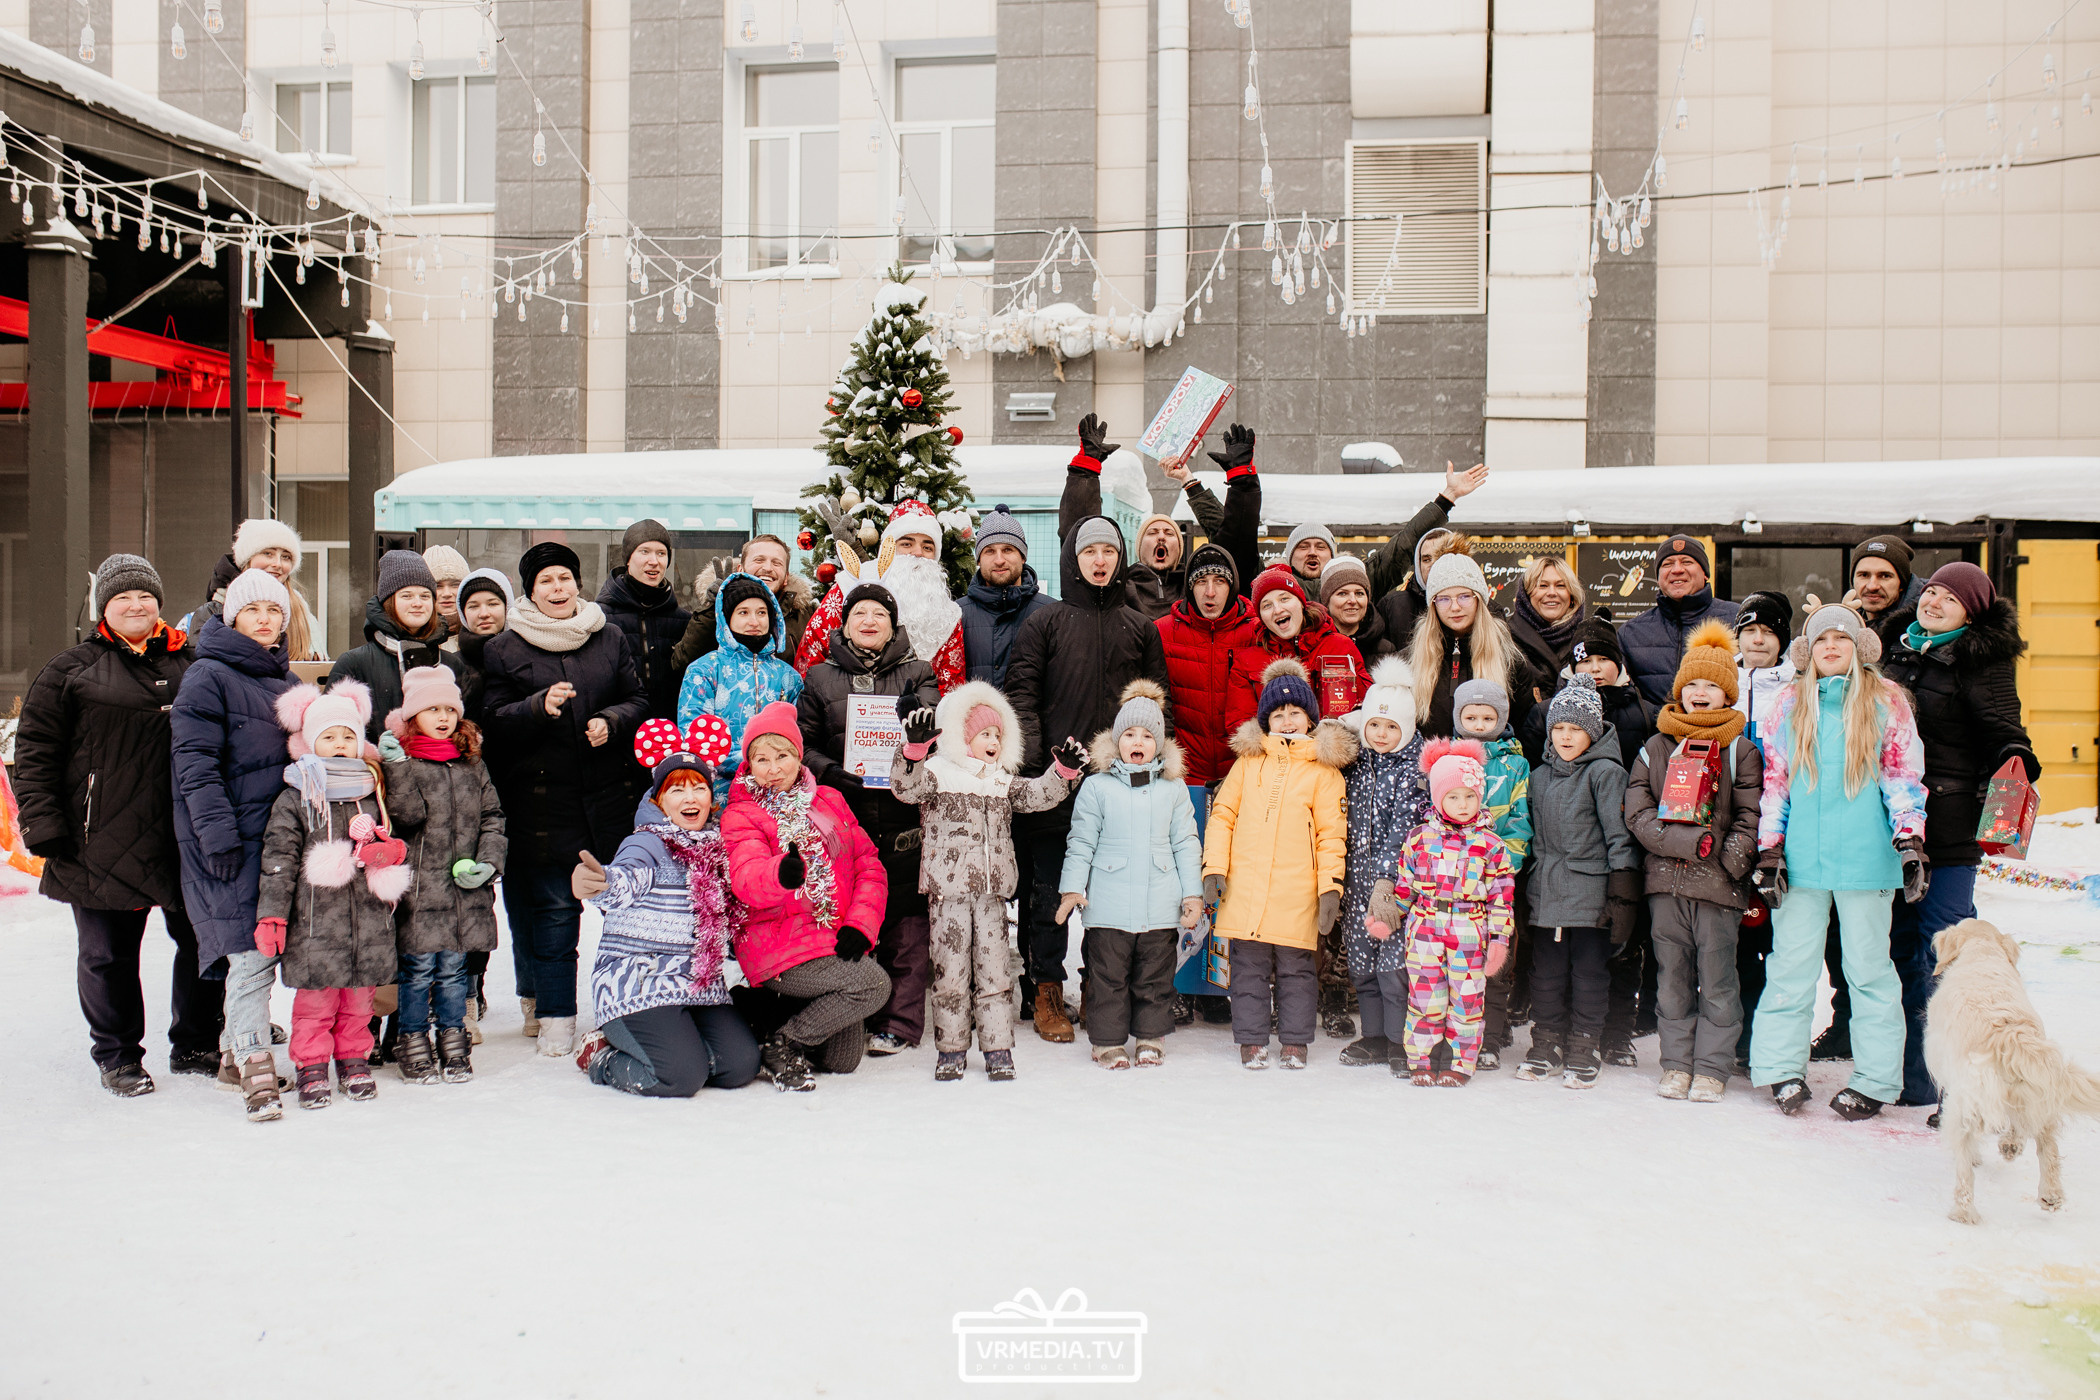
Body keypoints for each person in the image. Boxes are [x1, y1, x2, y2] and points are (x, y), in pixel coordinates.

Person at [15, 554, 222, 1097]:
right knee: (108, 955)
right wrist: (43, 824)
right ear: (102, 606)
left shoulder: (195, 664)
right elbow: (35, 751)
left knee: (204, 943)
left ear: (160, 602)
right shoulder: (70, 669)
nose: (136, 605)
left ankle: (196, 1041)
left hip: (185, 835)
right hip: (100, 836)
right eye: (123, 597)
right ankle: (118, 1055)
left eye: (145, 595)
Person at [1749, 605, 1928, 1120]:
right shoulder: (1788, 704)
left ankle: (1875, 1080)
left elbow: (1901, 776)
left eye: (1842, 638)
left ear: (1858, 647)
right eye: (1821, 639)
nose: (1831, 646)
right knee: (1790, 967)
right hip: (1801, 861)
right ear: (1808, 652)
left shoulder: (1886, 700)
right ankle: (1781, 1069)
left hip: (1866, 860)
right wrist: (1770, 849)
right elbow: (1776, 783)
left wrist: (1909, 839)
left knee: (1869, 972)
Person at [1878, 562, 2039, 1112]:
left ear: (1971, 613)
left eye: (1950, 598)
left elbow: (2006, 732)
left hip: (1949, 828)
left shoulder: (1981, 662)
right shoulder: (1895, 650)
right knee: (1896, 952)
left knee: (1942, 956)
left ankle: (1957, 1085)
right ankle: (1911, 1075)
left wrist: (2014, 761)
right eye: (1932, 592)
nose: (1934, 602)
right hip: (1890, 827)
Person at [1004, 514, 1172, 1041]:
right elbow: (1022, 700)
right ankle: (1046, 987)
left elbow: (1157, 708)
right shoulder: (1046, 623)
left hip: (1121, 788)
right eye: (1089, 552)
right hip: (1056, 784)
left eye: (1109, 551)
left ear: (1120, 559)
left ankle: (1102, 986)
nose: (1100, 561)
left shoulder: (1140, 627)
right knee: (1049, 893)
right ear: (1073, 561)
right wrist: (1040, 771)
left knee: (1114, 893)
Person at [480, 540, 649, 1056]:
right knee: (554, 913)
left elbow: (637, 698)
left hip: (608, 801)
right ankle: (555, 1016)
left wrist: (611, 721)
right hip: (543, 807)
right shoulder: (505, 647)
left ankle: (636, 1006)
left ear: (578, 583)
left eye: (565, 578)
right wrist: (537, 706)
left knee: (624, 911)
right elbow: (493, 720)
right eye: (546, 581)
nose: (558, 589)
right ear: (531, 591)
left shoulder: (608, 634)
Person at [893, 683, 1083, 1080]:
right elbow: (905, 788)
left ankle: (998, 1047)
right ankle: (951, 1049)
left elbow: (1037, 795)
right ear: (963, 737)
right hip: (948, 894)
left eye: (998, 734)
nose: (993, 741)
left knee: (994, 972)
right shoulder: (938, 774)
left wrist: (1062, 773)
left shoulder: (1001, 781)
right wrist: (912, 752)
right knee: (951, 974)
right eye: (984, 734)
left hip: (992, 895)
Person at [570, 717, 761, 1098]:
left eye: (699, 788)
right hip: (639, 981)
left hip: (699, 984)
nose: (691, 799)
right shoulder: (647, 843)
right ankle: (601, 1057)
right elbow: (626, 879)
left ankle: (683, 1048)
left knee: (739, 1065)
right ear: (659, 800)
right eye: (677, 790)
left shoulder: (717, 846)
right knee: (679, 1077)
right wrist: (602, 884)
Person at [170, 568, 298, 1116]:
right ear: (231, 616)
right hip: (229, 841)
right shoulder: (208, 675)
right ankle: (254, 1064)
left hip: (276, 842)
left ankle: (229, 1057)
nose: (265, 620)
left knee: (260, 948)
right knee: (251, 955)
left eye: (274, 611)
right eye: (253, 610)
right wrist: (217, 837)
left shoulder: (286, 682)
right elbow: (194, 765)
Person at [797, 581, 942, 1054]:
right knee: (850, 918)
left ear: (893, 626)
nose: (869, 621)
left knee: (906, 925)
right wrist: (828, 771)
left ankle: (899, 1022)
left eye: (880, 614)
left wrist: (916, 723)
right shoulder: (820, 677)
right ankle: (850, 1014)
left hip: (903, 817)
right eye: (859, 612)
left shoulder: (918, 671)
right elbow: (803, 744)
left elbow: (934, 737)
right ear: (844, 624)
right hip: (845, 816)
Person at [1624, 622, 1764, 1103]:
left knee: (1719, 981)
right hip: (1665, 885)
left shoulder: (1740, 749)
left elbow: (1750, 815)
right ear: (1679, 690)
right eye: (1692, 684)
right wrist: (1687, 844)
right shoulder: (1656, 747)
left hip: (1719, 887)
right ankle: (1676, 1063)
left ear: (1727, 694)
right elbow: (1637, 812)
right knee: (1671, 981)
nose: (1699, 693)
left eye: (1711, 685)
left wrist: (1728, 861)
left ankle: (1711, 1067)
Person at [721, 702, 892, 1091]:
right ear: (748, 764)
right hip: (778, 945)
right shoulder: (742, 814)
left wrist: (861, 926)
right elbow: (745, 876)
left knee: (843, 1061)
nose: (773, 768)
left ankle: (771, 1017)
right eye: (761, 759)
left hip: (833, 936)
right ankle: (783, 1043)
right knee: (873, 985)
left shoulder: (829, 800)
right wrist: (779, 873)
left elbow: (868, 865)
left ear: (798, 757)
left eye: (782, 756)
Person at [257, 679, 407, 1110]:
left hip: (368, 923)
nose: (340, 744)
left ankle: (353, 1059)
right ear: (309, 742)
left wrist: (388, 850)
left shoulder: (374, 791)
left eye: (347, 736)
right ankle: (311, 1064)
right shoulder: (296, 796)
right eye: (329, 737)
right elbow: (279, 858)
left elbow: (397, 834)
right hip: (315, 924)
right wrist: (273, 914)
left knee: (359, 1000)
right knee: (316, 1002)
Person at [1201, 659, 1352, 1071]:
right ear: (1266, 721)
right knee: (1247, 969)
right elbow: (1223, 817)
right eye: (1278, 714)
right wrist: (1214, 868)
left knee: (1297, 971)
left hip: (1295, 892)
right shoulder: (1248, 763)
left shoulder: (1324, 772)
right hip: (1245, 888)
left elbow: (1331, 836)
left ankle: (1295, 1041)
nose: (1287, 721)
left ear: (1311, 719)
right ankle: (1251, 1040)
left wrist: (1330, 888)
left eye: (1295, 712)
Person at [1055, 682, 1202, 1070]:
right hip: (1109, 906)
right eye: (1130, 734)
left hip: (1159, 906)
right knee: (1108, 978)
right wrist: (1071, 888)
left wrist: (1192, 895)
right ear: (1117, 740)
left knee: (1155, 977)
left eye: (1148, 736)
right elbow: (1081, 841)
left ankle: (1151, 1037)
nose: (1138, 742)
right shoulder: (1096, 787)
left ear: (1160, 744)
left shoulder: (1173, 789)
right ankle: (1107, 1042)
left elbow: (1186, 842)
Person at [1513, 675, 1640, 1089]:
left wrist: (1622, 894)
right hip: (1546, 893)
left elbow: (1619, 837)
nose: (1566, 737)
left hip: (1590, 894)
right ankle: (1547, 1040)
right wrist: (1522, 889)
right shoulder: (1539, 776)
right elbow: (1530, 836)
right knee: (1546, 974)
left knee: (1588, 974)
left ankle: (1585, 1043)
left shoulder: (1605, 774)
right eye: (1559, 727)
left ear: (1593, 732)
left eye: (1576, 729)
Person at [379, 666, 505, 1083]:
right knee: (416, 973)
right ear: (413, 716)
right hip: (421, 891)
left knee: (454, 971)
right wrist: (397, 769)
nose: (443, 717)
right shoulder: (405, 762)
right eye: (432, 709)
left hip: (463, 893)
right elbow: (406, 817)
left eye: (449, 709)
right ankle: (412, 1040)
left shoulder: (472, 763)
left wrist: (488, 861)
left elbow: (492, 816)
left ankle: (453, 1040)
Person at [1391, 738, 1518, 1086]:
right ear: (1437, 798)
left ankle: (1458, 1063)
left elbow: (1501, 898)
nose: (1463, 805)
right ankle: (1422, 1060)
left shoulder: (1491, 845)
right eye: (1453, 797)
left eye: (1469, 796)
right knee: (1425, 998)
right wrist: (1389, 915)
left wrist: (1499, 939)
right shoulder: (1418, 839)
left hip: (1469, 930)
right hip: (1425, 927)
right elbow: (1405, 886)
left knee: (1466, 1001)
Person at [1063, 414, 1261, 617]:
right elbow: (1080, 540)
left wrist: (1238, 481)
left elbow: (1233, 545)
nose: (1161, 537)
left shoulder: (1199, 589)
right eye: (1152, 532)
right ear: (1139, 548)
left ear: (1180, 548)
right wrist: (1085, 471)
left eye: (1169, 533)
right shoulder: (1115, 588)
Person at [1338, 657, 1429, 1074]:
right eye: (1374, 724)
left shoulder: (1414, 770)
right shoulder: (1357, 763)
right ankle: (1373, 1035)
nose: (1380, 734)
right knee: (1361, 964)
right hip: (1356, 884)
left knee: (1393, 967)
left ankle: (1398, 1040)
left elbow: (1404, 829)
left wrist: (1387, 881)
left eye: (1391, 727)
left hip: (1394, 890)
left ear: (1406, 728)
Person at [793, 502, 966, 692]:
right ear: (889, 550)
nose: (918, 553)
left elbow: (951, 686)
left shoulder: (947, 616)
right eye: (907, 544)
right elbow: (812, 653)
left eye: (927, 547)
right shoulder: (849, 588)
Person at [1452, 678, 1533, 1067]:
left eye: (1488, 718)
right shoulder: (1449, 760)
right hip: (1454, 881)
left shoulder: (1515, 764)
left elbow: (1520, 819)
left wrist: (1505, 868)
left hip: (1497, 882)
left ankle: (1492, 1036)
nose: (1480, 725)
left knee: (1496, 958)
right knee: (1458, 958)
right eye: (1471, 717)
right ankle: (1458, 1031)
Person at [677, 571, 804, 796]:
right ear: (727, 618)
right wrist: (750, 763)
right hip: (719, 792)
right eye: (743, 612)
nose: (754, 621)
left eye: (761, 612)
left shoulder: (788, 677)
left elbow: (798, 737)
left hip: (778, 790)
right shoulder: (704, 670)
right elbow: (693, 735)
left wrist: (773, 767)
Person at [1409, 539, 1539, 739]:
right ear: (1433, 604)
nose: (1455, 607)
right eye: (1444, 599)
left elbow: (1524, 730)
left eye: (1464, 596)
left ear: (1479, 599)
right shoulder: (1412, 660)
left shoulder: (1509, 660)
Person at [327, 550, 463, 738]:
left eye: (425, 596)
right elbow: (332, 731)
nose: (417, 603)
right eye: (407, 596)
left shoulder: (451, 665)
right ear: (388, 602)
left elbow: (464, 731)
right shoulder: (354, 663)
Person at [1225, 567, 1370, 738]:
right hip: (1275, 753)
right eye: (1267, 605)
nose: (1277, 610)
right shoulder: (1246, 661)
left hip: (1334, 750)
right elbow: (1240, 723)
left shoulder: (1340, 647)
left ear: (1301, 602)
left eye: (1284, 599)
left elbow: (1368, 706)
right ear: (1261, 617)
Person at [1364, 462, 1492, 645]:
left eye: (1439, 556)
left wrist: (1449, 496)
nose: (1433, 564)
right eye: (1425, 559)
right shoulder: (1393, 606)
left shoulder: (1486, 609)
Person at [1620, 535, 1740, 710]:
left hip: (1724, 727)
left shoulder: (1737, 620)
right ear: (1658, 577)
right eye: (1667, 564)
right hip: (1656, 728)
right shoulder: (1630, 633)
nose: (1677, 569)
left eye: (1687, 562)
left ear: (1705, 573)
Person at [1522, 612, 1654, 768]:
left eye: (1604, 659)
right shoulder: (1543, 713)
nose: (1595, 668)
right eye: (1586, 661)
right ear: (1573, 667)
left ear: (1618, 665)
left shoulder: (1646, 714)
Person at [183, 519, 324, 661]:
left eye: (285, 557)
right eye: (268, 553)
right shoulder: (213, 613)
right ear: (247, 559)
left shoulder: (302, 612)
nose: (278, 564)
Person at [673, 534, 819, 669]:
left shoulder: (805, 618)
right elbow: (683, 663)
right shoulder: (714, 611)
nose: (767, 568)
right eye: (759, 560)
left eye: (777, 563)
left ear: (786, 577)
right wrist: (714, 608)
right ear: (740, 569)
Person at [596, 519, 690, 722]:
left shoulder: (684, 621)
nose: (654, 561)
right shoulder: (598, 617)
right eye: (644, 551)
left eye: (661, 553)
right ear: (628, 559)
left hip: (669, 733)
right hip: (616, 730)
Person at [957, 507, 1054, 686]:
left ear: (1023, 556)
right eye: (989, 551)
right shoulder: (957, 614)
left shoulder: (1051, 613)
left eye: (1008, 549)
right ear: (978, 559)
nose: (999, 560)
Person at [1507, 554, 1590, 689]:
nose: (1552, 592)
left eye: (1560, 586)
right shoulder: (1505, 639)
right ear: (1526, 595)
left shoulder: (1588, 639)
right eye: (1543, 585)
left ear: (1572, 595)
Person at [1732, 591, 1796, 754]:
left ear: (1782, 641)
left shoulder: (1798, 687)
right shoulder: (1718, 684)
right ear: (1738, 636)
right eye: (1750, 630)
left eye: (1769, 631)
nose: (1758, 639)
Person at [453, 567, 513, 725]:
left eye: (492, 604)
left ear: (507, 607)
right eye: (473, 606)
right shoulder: (452, 666)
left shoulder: (525, 656)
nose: (484, 613)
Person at [1847, 534, 1924, 650]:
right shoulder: (1844, 629)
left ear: (1902, 584)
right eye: (1864, 575)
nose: (1872, 586)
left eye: (1884, 576)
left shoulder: (1923, 632)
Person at [1318, 555, 1394, 660]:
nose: (1353, 600)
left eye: (1359, 593)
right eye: (1342, 594)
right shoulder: (1311, 646)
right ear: (1326, 601)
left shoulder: (1386, 650)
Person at [422, 545, 471, 640]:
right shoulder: (409, 638)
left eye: (455, 585)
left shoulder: (484, 632)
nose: (447, 593)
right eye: (438, 586)